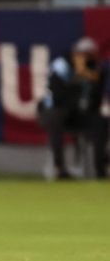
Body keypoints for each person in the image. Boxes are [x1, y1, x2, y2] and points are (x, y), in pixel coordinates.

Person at [37, 38, 109, 180]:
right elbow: (57, 95)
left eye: (91, 56)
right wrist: (78, 79)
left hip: (76, 114)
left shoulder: (94, 70)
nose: (87, 59)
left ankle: (101, 169)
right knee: (57, 117)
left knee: (100, 122)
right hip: (52, 111)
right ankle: (59, 168)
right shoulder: (62, 65)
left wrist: (95, 81)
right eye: (84, 55)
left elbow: (95, 102)